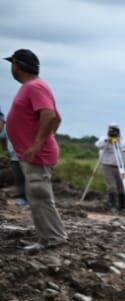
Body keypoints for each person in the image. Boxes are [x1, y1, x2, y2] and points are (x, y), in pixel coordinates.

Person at [4, 48, 65, 249]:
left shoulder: (35, 87)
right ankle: (48, 237)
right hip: (33, 153)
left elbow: (48, 115)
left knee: (40, 196)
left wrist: (38, 143)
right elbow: (57, 117)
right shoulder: (34, 87)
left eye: (12, 64)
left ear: (18, 66)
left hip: (37, 154)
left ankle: (53, 238)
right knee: (38, 196)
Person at [94, 125, 125, 210]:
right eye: (112, 130)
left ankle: (122, 206)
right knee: (112, 187)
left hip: (121, 169)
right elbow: (98, 145)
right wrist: (107, 141)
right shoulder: (104, 139)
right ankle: (113, 206)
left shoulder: (123, 142)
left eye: (115, 130)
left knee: (123, 186)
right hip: (108, 167)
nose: (114, 132)